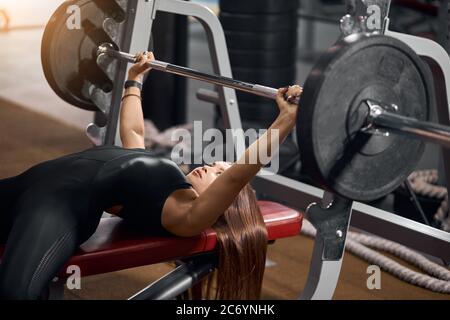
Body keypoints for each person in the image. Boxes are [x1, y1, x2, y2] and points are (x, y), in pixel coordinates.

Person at [0, 52, 302, 300]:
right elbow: (133, 131)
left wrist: (285, 122)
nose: (211, 167)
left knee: (16, 292)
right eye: (215, 164)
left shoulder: (188, 216)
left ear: (225, 203)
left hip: (58, 205)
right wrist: (135, 80)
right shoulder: (164, 180)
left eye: (218, 172)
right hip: (29, 182)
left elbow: (239, 175)